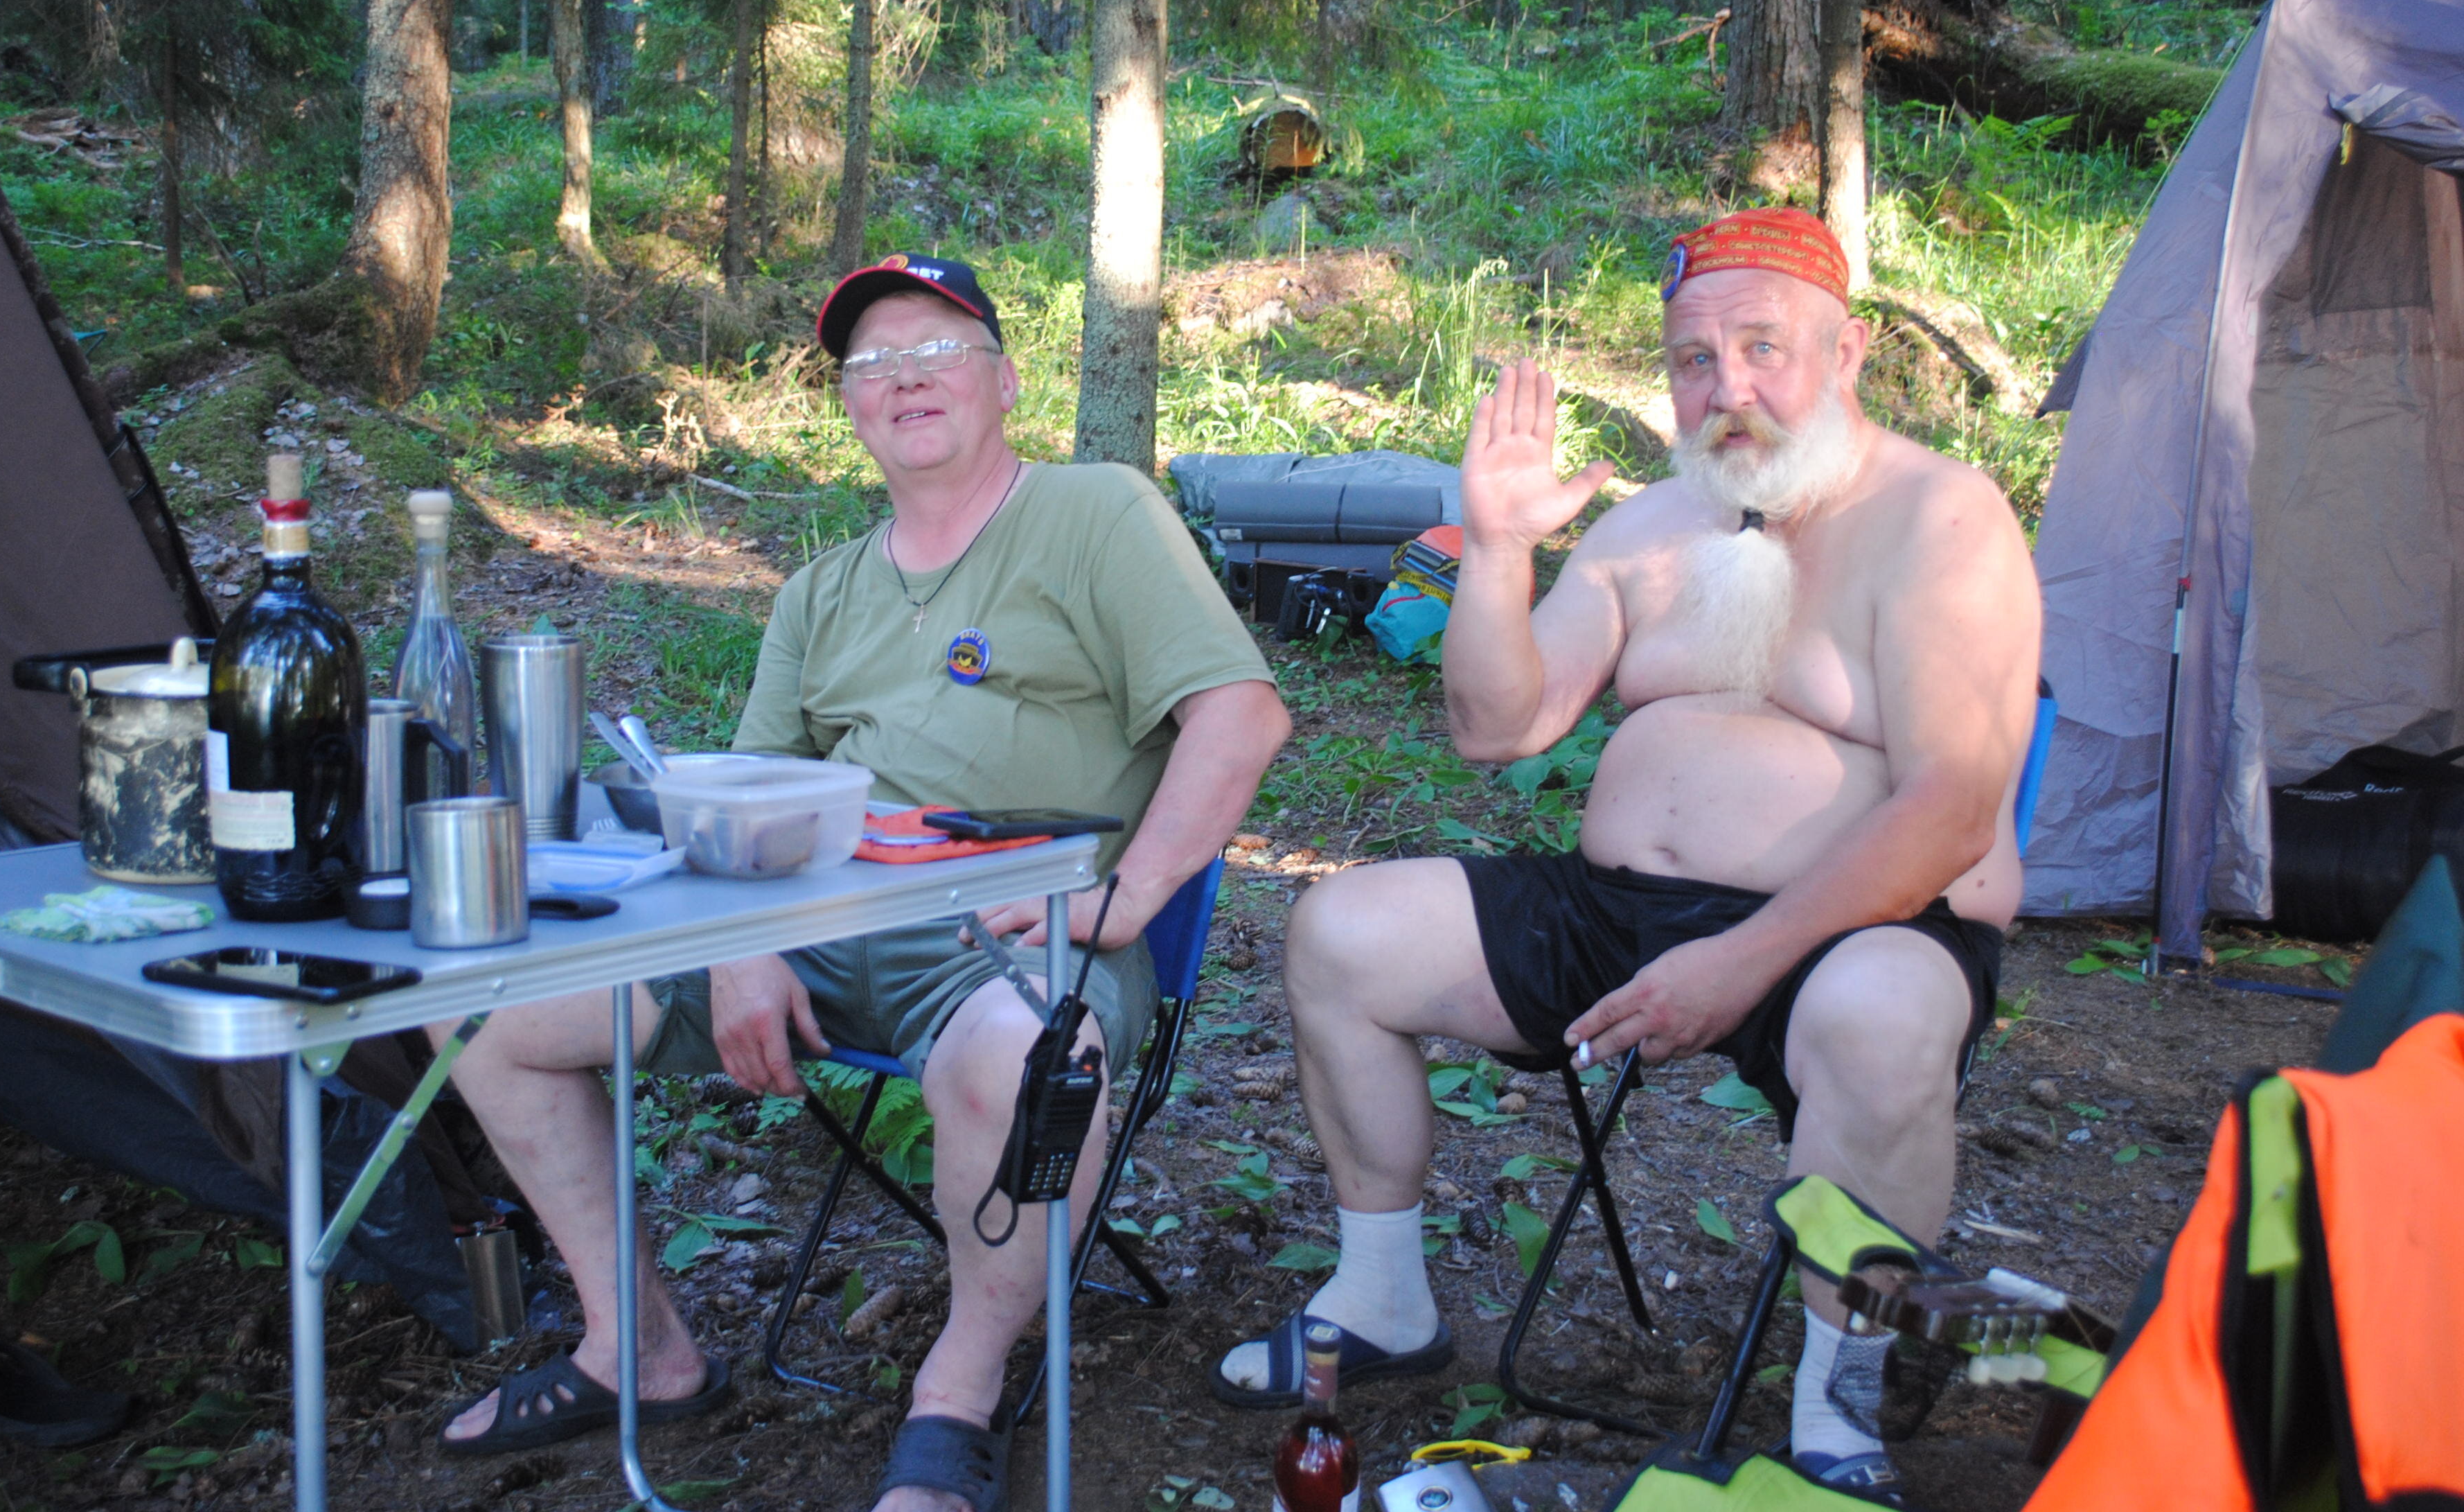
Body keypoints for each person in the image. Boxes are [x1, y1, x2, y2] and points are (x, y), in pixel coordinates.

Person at [436, 254, 1291, 1512]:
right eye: (873, 362)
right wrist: (741, 946)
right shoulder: (818, 592)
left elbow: (1241, 717)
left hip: (1016, 931)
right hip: (819, 931)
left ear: (1005, 380)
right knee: (483, 1008)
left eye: (937, 348)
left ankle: (958, 1392)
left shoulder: (1097, 513)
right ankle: (639, 1349)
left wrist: (1129, 898)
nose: (905, 378)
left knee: (1026, 1057)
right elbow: (736, 810)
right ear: (846, 403)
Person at [1213, 209, 2039, 1501]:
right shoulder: (1655, 525)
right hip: (1622, 914)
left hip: (1870, 926)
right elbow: (1497, 727)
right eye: (1695, 359)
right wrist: (1498, 547)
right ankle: (1381, 1299)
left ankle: (1844, 1399)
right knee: (1344, 933)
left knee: (1879, 1017)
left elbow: (1952, 809)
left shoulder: (1941, 518)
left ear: (1847, 353)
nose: (1729, 388)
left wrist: (1741, 960)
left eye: (1763, 348)